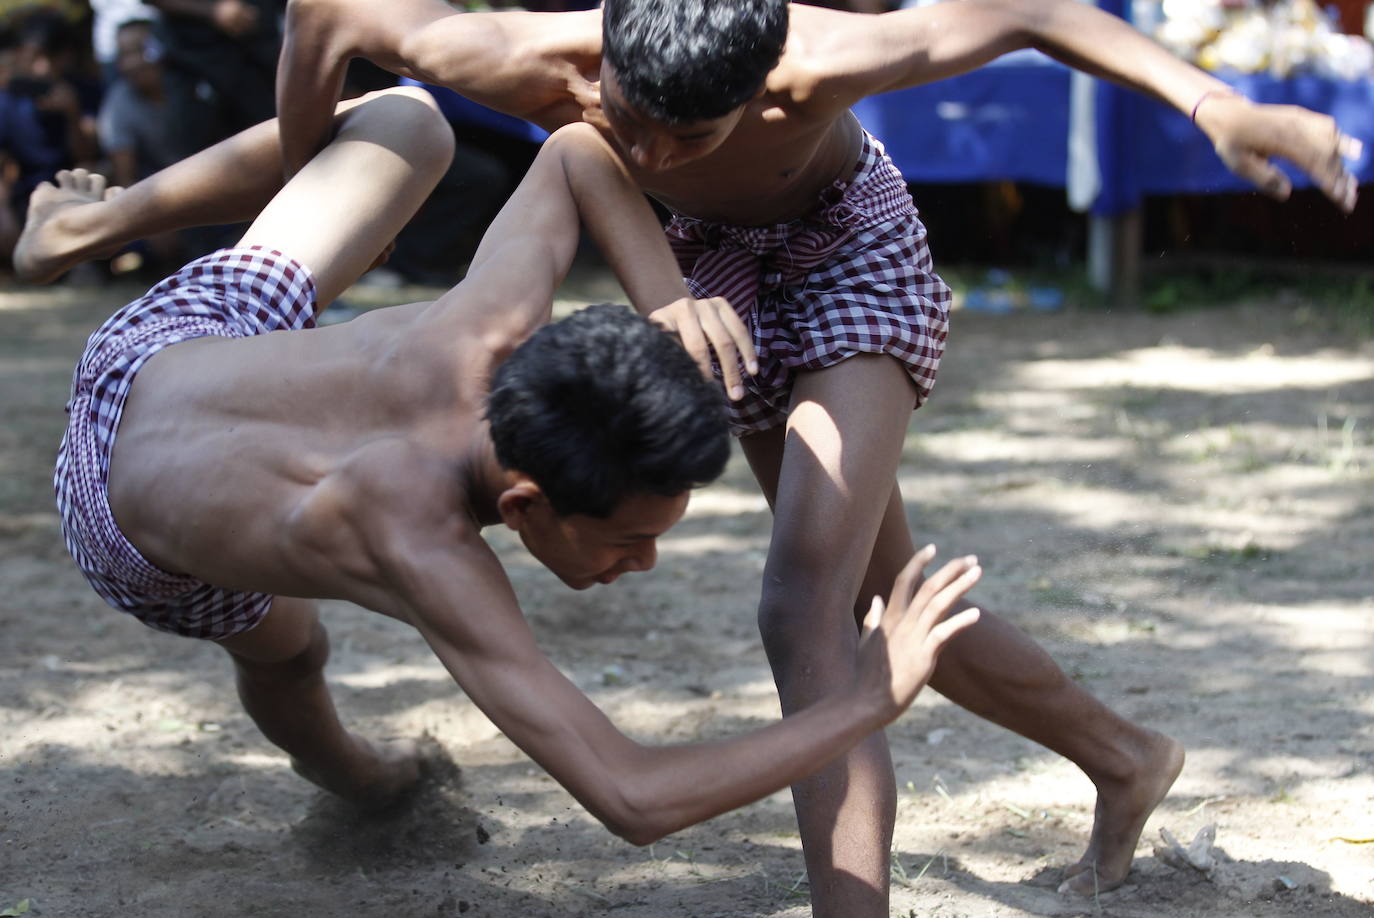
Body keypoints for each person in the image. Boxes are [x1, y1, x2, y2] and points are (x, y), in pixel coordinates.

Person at [267, 1, 1366, 910]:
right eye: (631, 121)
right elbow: (327, 16)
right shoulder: (524, 60)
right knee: (878, 591)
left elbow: (1030, 12)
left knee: (802, 604)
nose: (649, 154)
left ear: (764, 90)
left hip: (849, 253)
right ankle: (1126, 757)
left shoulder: (826, 58)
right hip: (706, 281)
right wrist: (309, 188)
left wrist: (1216, 104)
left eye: (688, 141)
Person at [27, 86, 985, 847]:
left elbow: (573, 152)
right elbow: (632, 796)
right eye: (628, 540)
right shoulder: (414, 535)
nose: (643, 564)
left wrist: (669, 302)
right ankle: (353, 773)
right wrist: (865, 701)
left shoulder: (488, 323)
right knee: (288, 650)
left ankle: (80, 227)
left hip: (172, 341)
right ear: (524, 504)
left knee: (405, 120)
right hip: (121, 521)